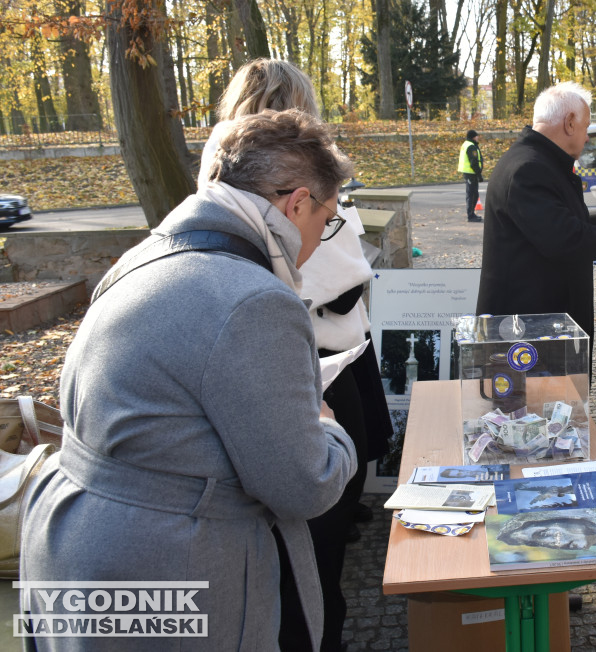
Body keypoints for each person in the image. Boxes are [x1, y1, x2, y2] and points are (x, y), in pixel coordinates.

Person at [22, 109, 358, 651]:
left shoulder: (142, 257)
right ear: (296, 203)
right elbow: (304, 483)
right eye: (327, 220)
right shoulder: (254, 299)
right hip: (166, 562)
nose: (320, 238)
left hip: (70, 535)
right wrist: (329, 428)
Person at [203, 58, 392, 652]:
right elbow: (338, 270)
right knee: (315, 528)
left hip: (327, 352)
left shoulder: (233, 173)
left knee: (320, 521)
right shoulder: (282, 187)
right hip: (312, 362)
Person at [476, 81, 596, 352]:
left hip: (541, 324)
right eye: (586, 127)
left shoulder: (539, 163)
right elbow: (564, 239)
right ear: (569, 123)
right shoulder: (528, 169)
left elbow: (562, 224)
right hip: (529, 333)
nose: (588, 137)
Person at [458, 129, 484, 222]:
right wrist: (479, 174)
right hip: (471, 173)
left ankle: (472, 214)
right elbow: (474, 162)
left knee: (472, 194)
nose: (478, 138)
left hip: (469, 173)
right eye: (477, 136)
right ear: (473, 137)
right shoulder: (471, 146)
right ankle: (471, 215)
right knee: (472, 194)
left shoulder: (466, 144)